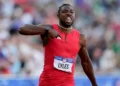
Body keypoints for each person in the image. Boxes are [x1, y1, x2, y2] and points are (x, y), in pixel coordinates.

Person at [19, 4, 98, 86]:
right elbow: (22, 29)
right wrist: (46, 30)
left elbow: (86, 62)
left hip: (68, 83)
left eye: (71, 12)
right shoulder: (49, 29)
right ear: (58, 15)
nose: (68, 14)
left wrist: (94, 83)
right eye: (65, 12)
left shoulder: (81, 38)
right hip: (47, 82)